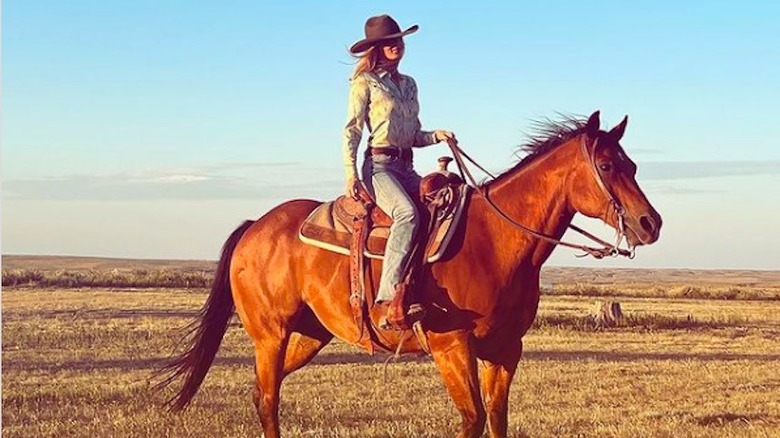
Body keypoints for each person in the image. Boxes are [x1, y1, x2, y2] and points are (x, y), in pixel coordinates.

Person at [343, 14, 457, 328]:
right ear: (376, 48)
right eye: (388, 43)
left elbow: (413, 135)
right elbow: (352, 130)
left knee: (442, 208)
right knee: (406, 214)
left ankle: (422, 288)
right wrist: (351, 173)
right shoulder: (365, 82)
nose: (396, 46)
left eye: (398, 40)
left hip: (407, 166)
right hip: (379, 167)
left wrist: (436, 137)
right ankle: (387, 299)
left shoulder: (409, 84)